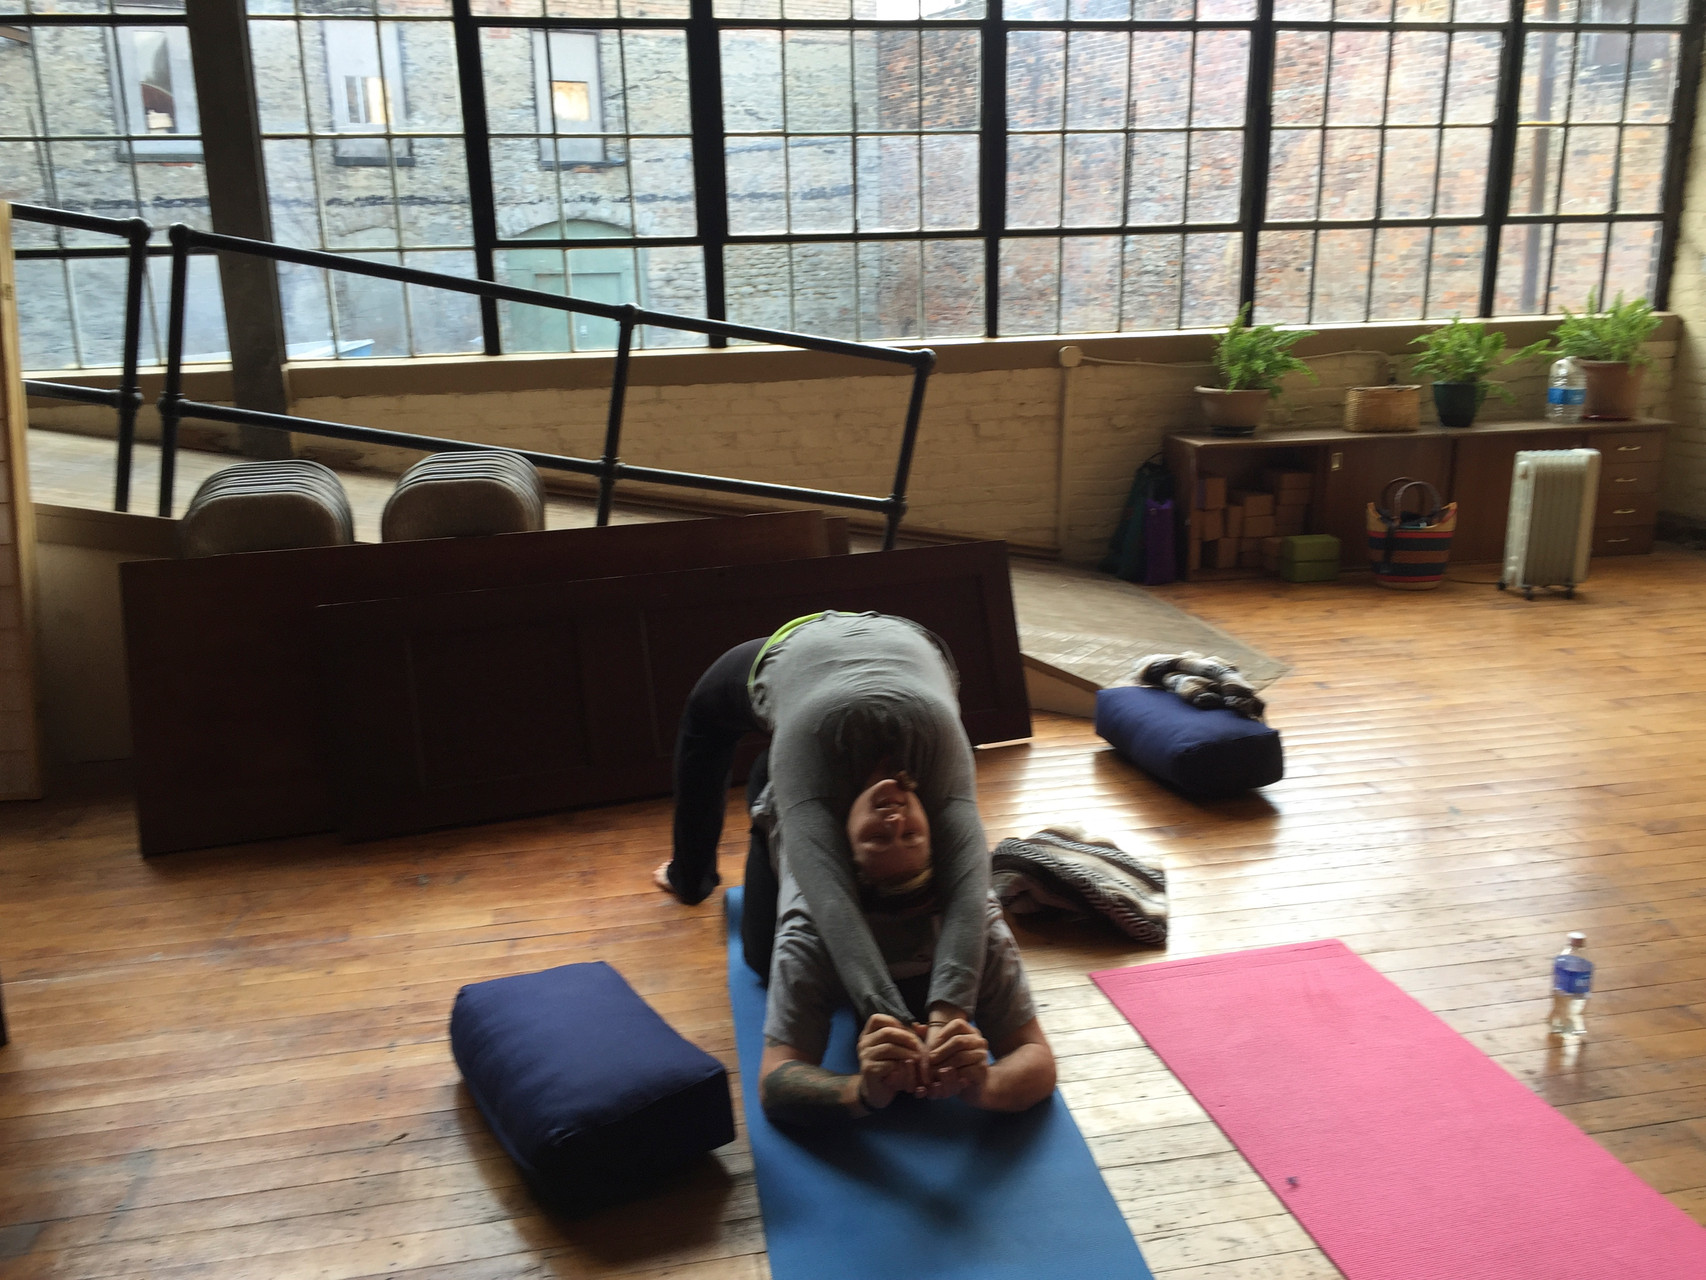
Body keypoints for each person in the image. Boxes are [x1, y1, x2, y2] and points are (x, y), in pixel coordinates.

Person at [652, 612, 1009, 1071]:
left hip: (907, 652)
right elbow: (831, 901)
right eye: (894, 834)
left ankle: (758, 793)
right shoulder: (821, 753)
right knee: (703, 724)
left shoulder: (937, 757)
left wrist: (941, 1018)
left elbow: (968, 892)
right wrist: (893, 1015)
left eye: (898, 834)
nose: (895, 820)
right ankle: (688, 877)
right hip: (805, 649)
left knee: (769, 949)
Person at [755, 774, 1056, 1123]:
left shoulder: (975, 923)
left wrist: (982, 1085)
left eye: (908, 834)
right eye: (878, 838)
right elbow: (772, 1086)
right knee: (758, 956)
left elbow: (774, 1077)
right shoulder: (813, 926)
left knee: (761, 959)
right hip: (789, 797)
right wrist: (860, 1091)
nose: (894, 819)